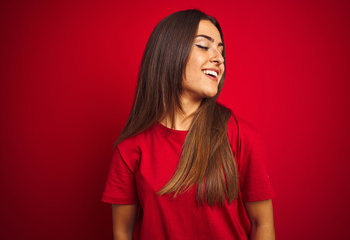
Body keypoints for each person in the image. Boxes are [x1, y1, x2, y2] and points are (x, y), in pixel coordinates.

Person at [102, 9, 275, 240]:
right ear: (170, 53)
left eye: (221, 50)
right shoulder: (130, 149)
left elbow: (262, 224)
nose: (219, 58)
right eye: (204, 46)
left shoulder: (241, 135)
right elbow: (122, 232)